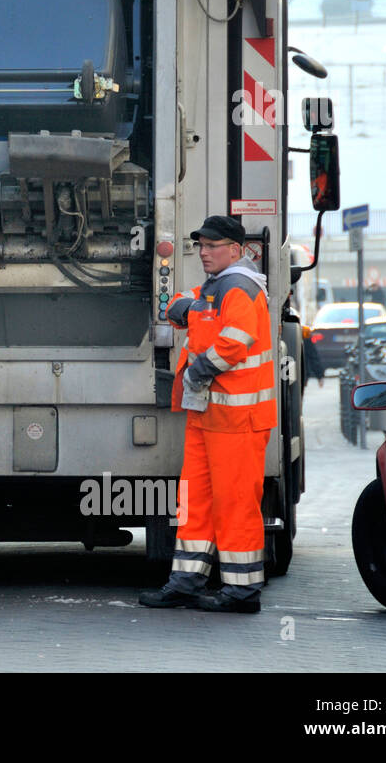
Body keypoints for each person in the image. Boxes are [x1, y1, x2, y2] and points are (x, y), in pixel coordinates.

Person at [140, 215, 276, 614]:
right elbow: (178, 305)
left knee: (235, 504)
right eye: (200, 245)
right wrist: (193, 308)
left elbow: (235, 341)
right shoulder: (219, 287)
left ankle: (242, 592)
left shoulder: (239, 287)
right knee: (195, 502)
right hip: (208, 416)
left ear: (235, 250)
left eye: (212, 246)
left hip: (238, 421)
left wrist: (198, 370)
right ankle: (186, 582)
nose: (203, 252)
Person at [301, 323, 325, 388]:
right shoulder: (304, 332)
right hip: (302, 375)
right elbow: (313, 356)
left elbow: (312, 355)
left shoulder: (304, 332)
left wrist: (320, 375)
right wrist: (320, 376)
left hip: (302, 375)